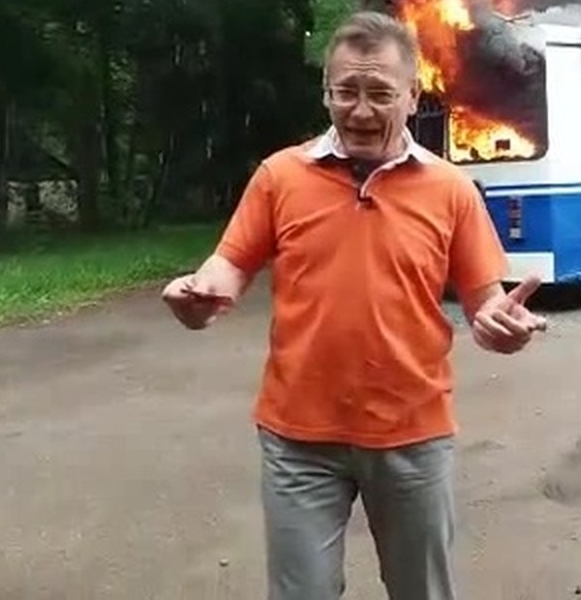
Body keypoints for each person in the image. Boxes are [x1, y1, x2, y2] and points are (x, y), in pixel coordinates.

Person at [161, 10, 547, 599]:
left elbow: (484, 301)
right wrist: (199, 293)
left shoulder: (450, 189)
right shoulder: (280, 177)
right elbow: (230, 265)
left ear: (413, 96)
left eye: (380, 94)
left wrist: (500, 325)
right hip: (299, 439)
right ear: (326, 93)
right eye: (346, 92)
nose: (361, 110)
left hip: (413, 436)